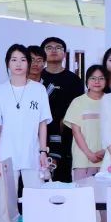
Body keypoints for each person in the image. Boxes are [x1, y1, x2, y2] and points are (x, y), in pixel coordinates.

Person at [0, 44, 51, 179]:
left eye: (23, 60)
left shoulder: (39, 90)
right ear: (8, 63)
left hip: (32, 153)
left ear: (28, 63)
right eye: (14, 60)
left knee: (35, 191)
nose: (18, 64)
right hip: (6, 154)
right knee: (6, 192)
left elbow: (42, 123)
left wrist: (43, 151)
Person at [39, 37, 84, 181]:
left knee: (62, 178)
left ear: (64, 54)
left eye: (58, 47)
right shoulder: (37, 78)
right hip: (39, 134)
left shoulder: (74, 80)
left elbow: (79, 108)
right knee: (36, 177)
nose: (53, 50)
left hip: (66, 134)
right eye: (49, 47)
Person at [63, 65, 107, 181]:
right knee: (83, 191)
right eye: (93, 78)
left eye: (101, 78)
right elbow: (76, 132)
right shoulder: (78, 102)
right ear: (87, 81)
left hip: (107, 158)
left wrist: (105, 151)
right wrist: (89, 154)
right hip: (83, 159)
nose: (97, 81)